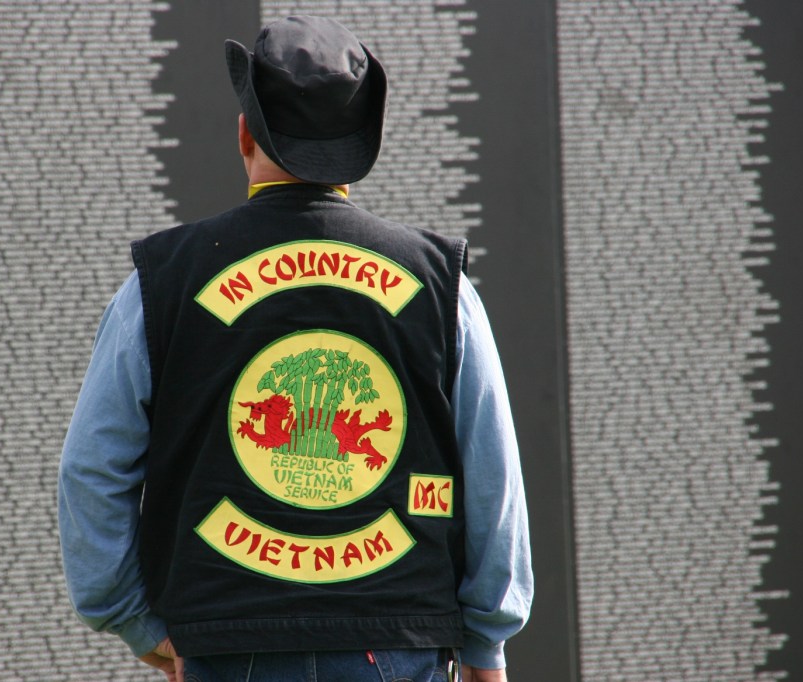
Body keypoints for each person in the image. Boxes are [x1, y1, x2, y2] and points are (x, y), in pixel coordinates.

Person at [59, 15, 532, 682]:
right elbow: (492, 478)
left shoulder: (160, 284)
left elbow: (91, 473)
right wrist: (488, 644)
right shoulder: (441, 287)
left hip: (226, 646)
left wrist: (137, 622)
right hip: (397, 644)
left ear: (245, 132)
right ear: (359, 145)